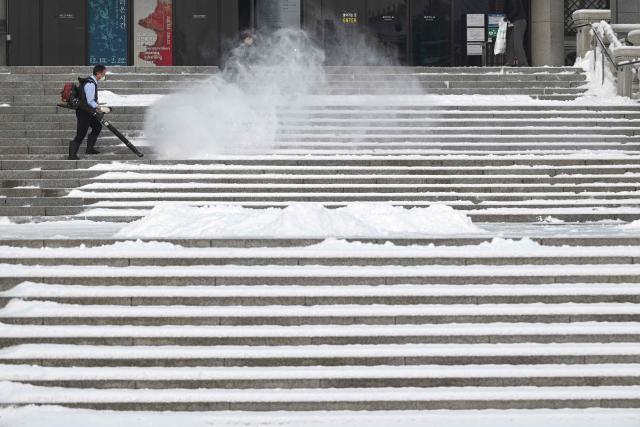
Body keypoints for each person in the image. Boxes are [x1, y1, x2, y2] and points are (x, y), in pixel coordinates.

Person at [68, 64, 108, 160]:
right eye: (103, 73)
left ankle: (89, 149)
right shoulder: (90, 84)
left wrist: (96, 106)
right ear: (98, 73)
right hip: (84, 112)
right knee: (81, 133)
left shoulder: (91, 82)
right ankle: (72, 155)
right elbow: (90, 101)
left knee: (97, 126)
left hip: (88, 111)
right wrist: (99, 108)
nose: (104, 76)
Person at [504, 0, 529, 66]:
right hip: (517, 21)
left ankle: (523, 63)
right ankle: (510, 61)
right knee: (511, 43)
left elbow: (516, 10)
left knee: (517, 43)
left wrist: (507, 17)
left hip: (519, 21)